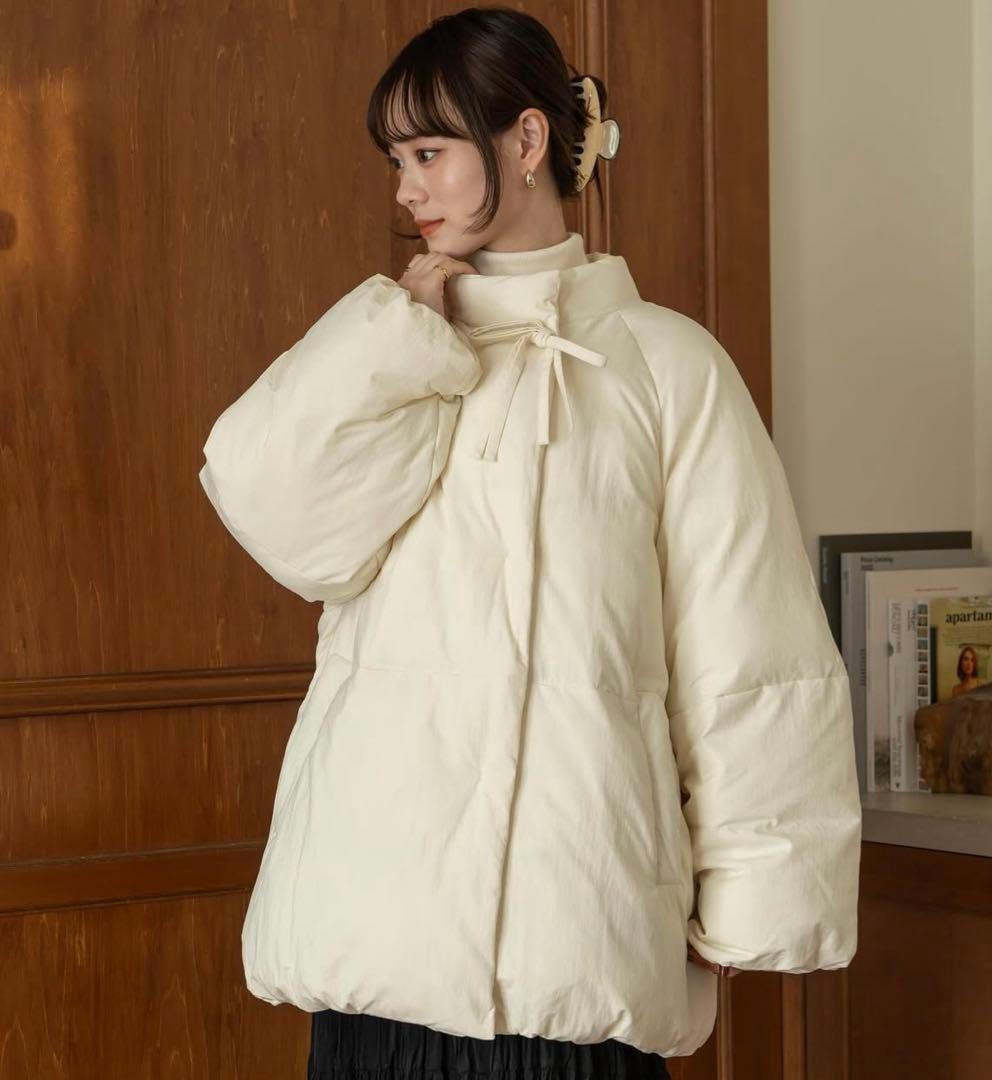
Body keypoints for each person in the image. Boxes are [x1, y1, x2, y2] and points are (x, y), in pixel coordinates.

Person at [197, 6, 863, 1077]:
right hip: (376, 933)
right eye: (395, 160)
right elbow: (278, 515)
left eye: (427, 152)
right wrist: (398, 335)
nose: (404, 189)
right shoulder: (395, 353)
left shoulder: (665, 369)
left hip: (574, 942)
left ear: (524, 139)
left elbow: (748, 655)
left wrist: (753, 904)